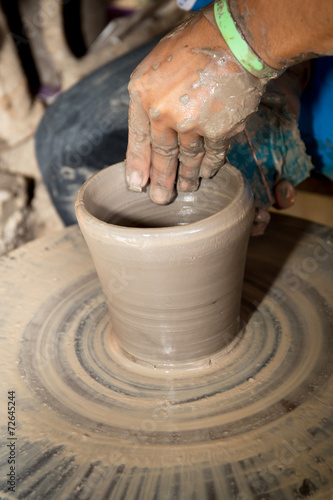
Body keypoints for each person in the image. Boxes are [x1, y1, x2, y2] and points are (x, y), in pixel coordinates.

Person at [35, 0, 333, 233]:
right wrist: (283, 74)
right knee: (69, 144)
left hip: (278, 40)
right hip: (254, 29)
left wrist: (237, 47)